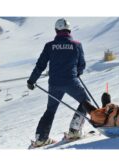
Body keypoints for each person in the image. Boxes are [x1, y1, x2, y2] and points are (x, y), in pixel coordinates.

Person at [27, 18, 90, 147]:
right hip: (71, 82)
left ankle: (41, 139)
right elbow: (81, 65)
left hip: (54, 83)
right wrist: (77, 73)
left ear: (56, 30)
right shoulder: (77, 45)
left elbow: (41, 65)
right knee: (85, 102)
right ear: (69, 30)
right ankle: (75, 130)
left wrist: (32, 80)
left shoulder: (50, 46)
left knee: (50, 110)